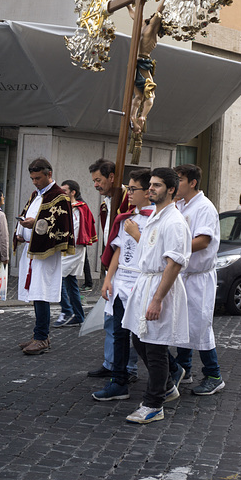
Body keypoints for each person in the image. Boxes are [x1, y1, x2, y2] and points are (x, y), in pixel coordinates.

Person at [122, 167, 192, 424]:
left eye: (157, 185)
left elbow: (174, 263)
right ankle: (168, 385)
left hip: (160, 286)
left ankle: (154, 404)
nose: (150, 189)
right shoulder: (155, 216)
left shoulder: (174, 221)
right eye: (150, 185)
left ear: (171, 190)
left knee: (155, 347)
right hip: (146, 282)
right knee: (139, 339)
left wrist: (157, 299)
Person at [92, 168, 154, 401]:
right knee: (119, 334)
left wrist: (137, 234)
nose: (128, 193)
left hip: (142, 282)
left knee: (141, 338)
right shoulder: (128, 218)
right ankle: (118, 381)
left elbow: (157, 252)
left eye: (133, 189)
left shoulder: (159, 219)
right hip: (122, 283)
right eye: (128, 188)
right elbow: (118, 249)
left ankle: (171, 373)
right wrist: (109, 278)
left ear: (148, 192)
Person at [170, 164, 225, 395]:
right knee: (184, 323)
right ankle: (184, 368)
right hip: (184, 274)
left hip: (199, 277)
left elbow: (203, 241)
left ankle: (214, 374)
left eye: (179, 180)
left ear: (192, 182)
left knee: (201, 326)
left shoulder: (204, 207)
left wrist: (173, 247)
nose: (176, 185)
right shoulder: (180, 205)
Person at [14, 158, 75, 355]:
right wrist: (21, 229)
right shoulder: (36, 194)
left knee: (41, 294)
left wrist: (35, 224)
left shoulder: (59, 196)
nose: (34, 182)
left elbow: (61, 225)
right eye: (32, 178)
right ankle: (38, 335)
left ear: (49, 174)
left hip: (45, 253)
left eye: (38, 178)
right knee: (35, 292)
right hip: (32, 251)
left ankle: (41, 338)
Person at [87, 158, 132, 378]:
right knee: (110, 320)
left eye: (98, 179)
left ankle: (127, 367)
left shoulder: (128, 200)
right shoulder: (109, 200)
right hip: (112, 269)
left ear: (112, 177)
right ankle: (110, 362)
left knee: (126, 322)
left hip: (127, 270)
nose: (95, 184)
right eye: (94, 180)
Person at [53, 180, 97, 328]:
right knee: (71, 283)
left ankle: (66, 310)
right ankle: (78, 316)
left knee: (56, 278)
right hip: (66, 249)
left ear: (73, 192)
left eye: (65, 190)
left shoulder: (79, 208)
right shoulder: (65, 207)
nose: (62, 193)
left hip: (73, 249)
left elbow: (77, 230)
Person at [127, 0, 170, 134]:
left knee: (138, 96)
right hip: (143, 63)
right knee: (150, 96)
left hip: (133, 63)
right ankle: (142, 117)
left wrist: (129, 6)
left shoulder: (141, 26)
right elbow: (160, 9)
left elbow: (134, 15)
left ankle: (132, 116)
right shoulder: (151, 28)